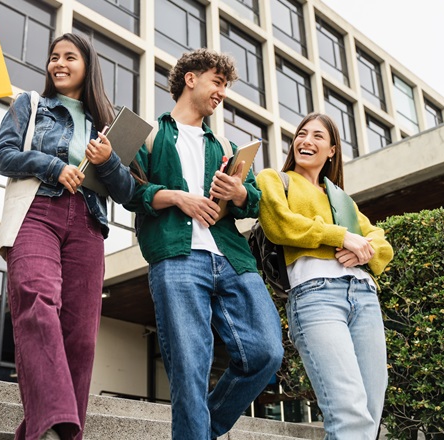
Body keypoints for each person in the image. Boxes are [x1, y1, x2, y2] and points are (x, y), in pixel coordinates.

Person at [123, 48, 283, 440]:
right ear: (190, 79)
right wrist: (179, 197)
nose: (222, 93)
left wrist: (239, 194)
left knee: (266, 352)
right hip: (177, 257)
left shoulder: (226, 147)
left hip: (232, 259)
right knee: (190, 365)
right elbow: (129, 193)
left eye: (225, 86)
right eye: (217, 82)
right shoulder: (149, 134)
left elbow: (255, 203)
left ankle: (199, 430)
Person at [0, 33, 135, 440]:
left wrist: (107, 163)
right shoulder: (31, 105)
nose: (59, 63)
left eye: (70, 57)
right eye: (54, 56)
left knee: (81, 336)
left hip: (88, 224)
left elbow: (125, 193)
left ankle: (49, 432)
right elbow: (0, 155)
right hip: (38, 210)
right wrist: (52, 167)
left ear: (88, 67)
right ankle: (56, 428)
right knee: (37, 300)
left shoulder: (107, 124)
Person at [256, 113, 394, 439]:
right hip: (316, 297)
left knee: (371, 412)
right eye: (302, 134)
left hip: (363, 296)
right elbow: (281, 225)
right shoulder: (275, 179)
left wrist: (363, 248)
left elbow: (382, 244)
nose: (306, 141)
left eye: (318, 136)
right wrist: (340, 236)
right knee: (349, 412)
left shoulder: (341, 198)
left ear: (331, 150)